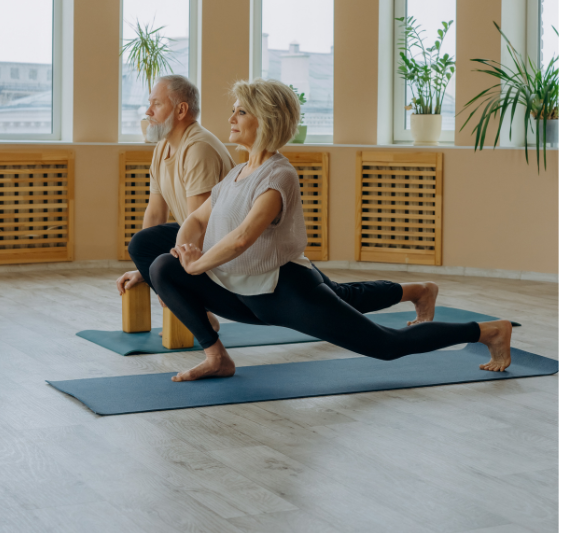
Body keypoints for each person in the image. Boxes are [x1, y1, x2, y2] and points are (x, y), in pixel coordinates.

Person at [146, 79, 514, 382]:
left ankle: (488, 331)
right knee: (164, 266)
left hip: (282, 291)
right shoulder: (236, 174)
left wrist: (197, 264)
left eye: (241, 111)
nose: (231, 118)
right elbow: (196, 220)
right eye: (234, 110)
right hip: (237, 291)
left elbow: (243, 238)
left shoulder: (278, 175)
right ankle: (217, 358)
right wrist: (183, 251)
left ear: (267, 119)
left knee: (386, 345)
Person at [116, 76, 237, 329]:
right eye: (149, 103)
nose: (148, 111)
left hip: (224, 244)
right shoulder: (163, 147)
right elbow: (155, 213)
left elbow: (201, 228)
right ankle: (191, 306)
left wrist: (168, 283)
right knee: (142, 243)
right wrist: (146, 271)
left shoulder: (198, 148)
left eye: (157, 104)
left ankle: (200, 315)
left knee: (160, 261)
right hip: (196, 235)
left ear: (181, 110)